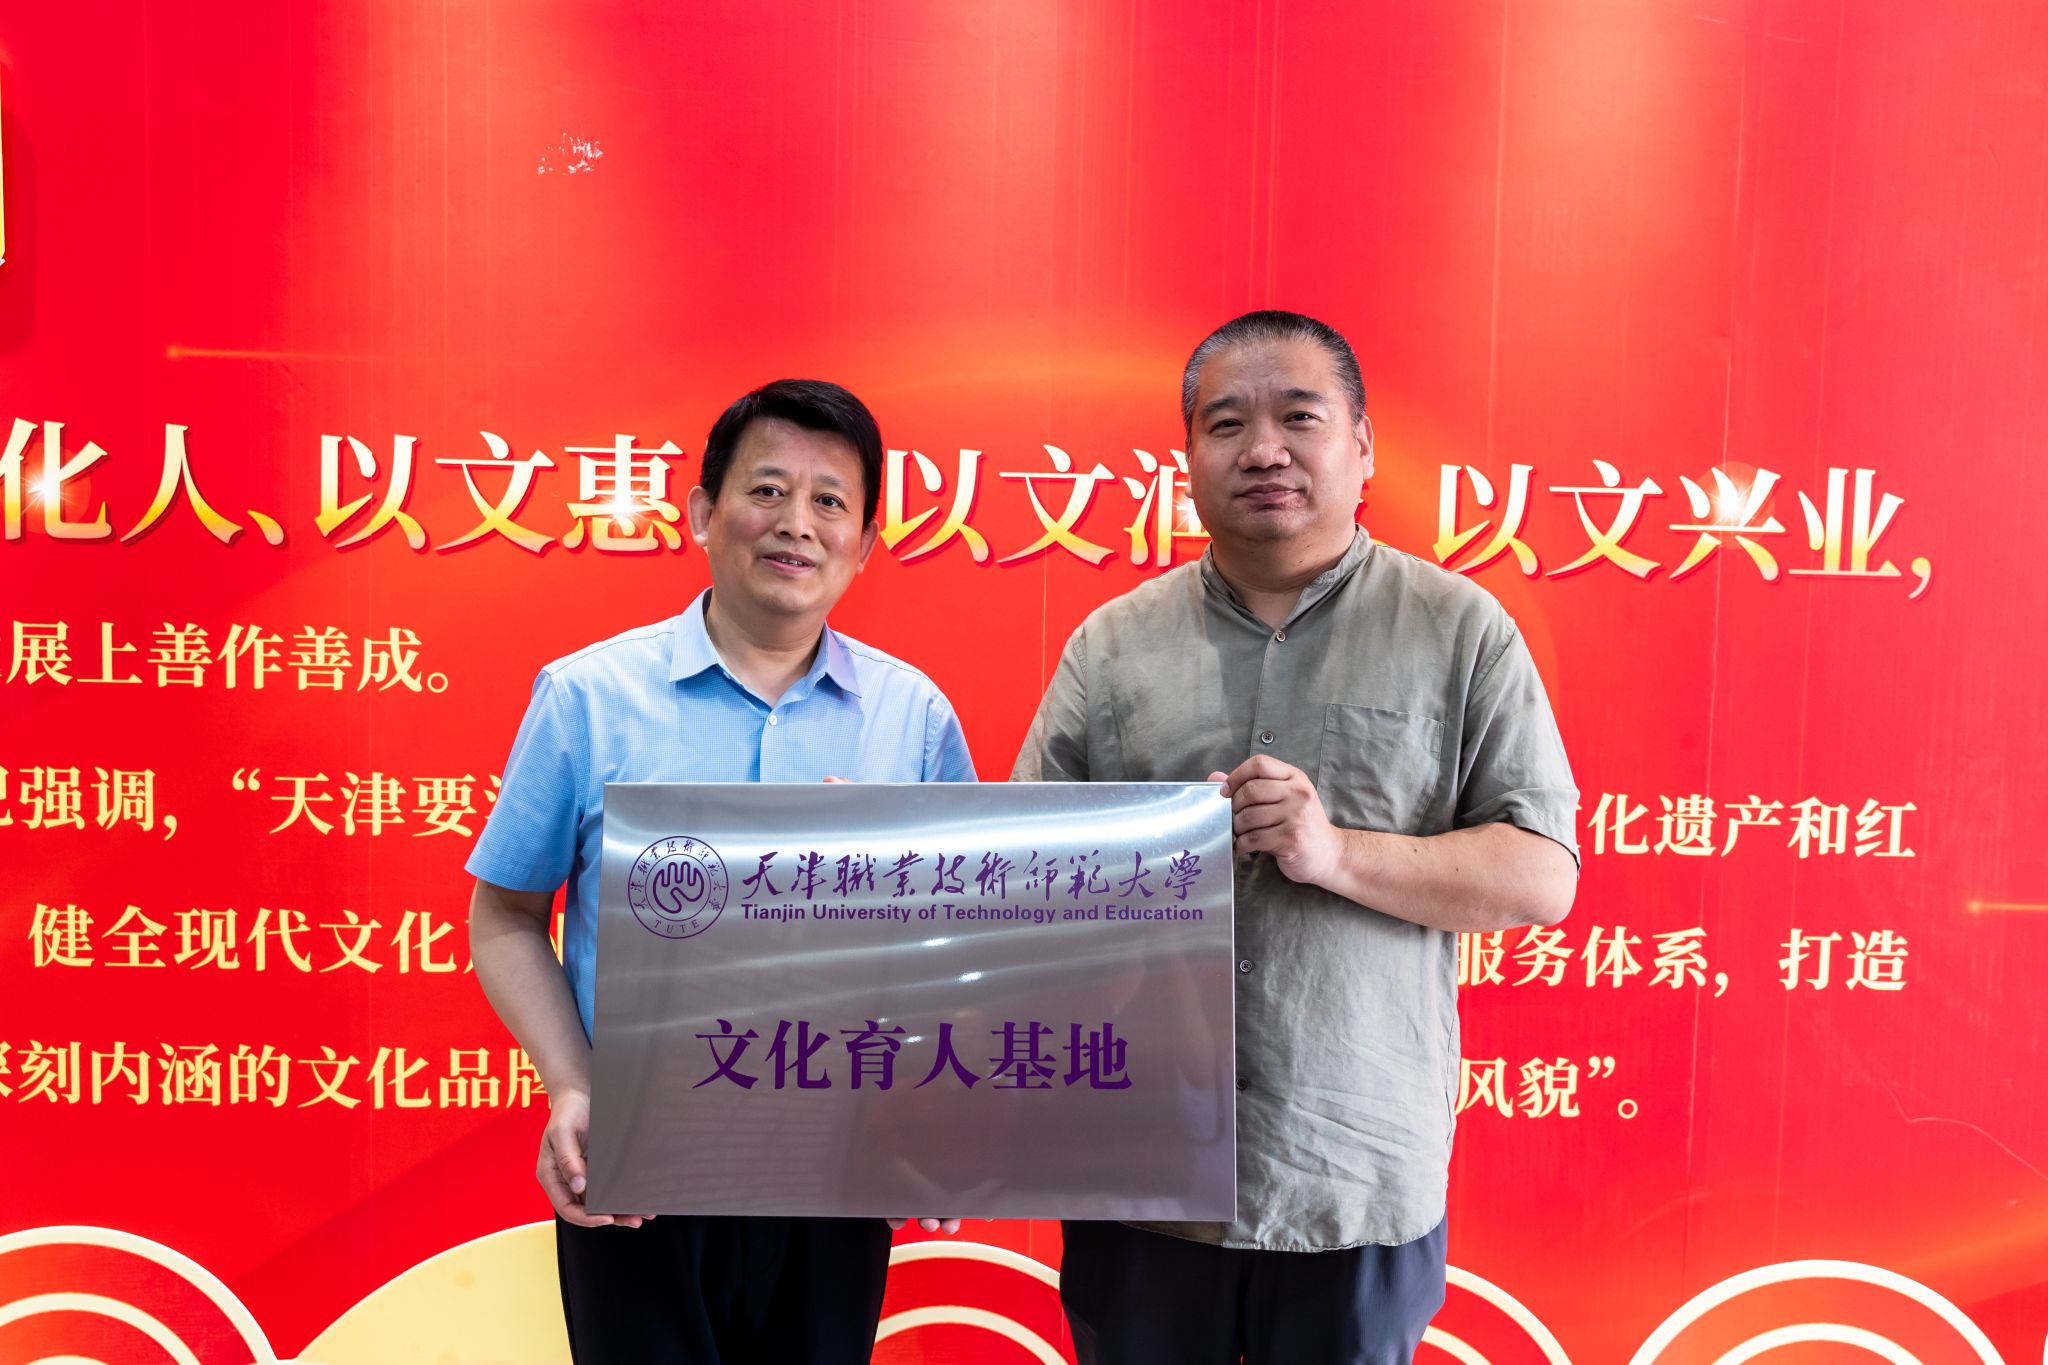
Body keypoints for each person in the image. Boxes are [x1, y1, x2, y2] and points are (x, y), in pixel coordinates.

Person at [1013, 311, 1579, 1364]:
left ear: (1360, 445)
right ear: (1188, 456)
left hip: (1352, 1176)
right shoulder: (1112, 646)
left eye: (1299, 417)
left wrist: (1336, 853)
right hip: (1141, 1169)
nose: (1262, 448)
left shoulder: (1459, 629)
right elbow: (1024, 878)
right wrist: (1146, 857)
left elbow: (1540, 875)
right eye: (1226, 422)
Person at [467, 378, 976, 1365]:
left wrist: (935, 1114)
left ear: (864, 543)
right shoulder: (588, 696)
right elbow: (507, 915)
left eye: (830, 501)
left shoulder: (911, 718)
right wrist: (574, 1086)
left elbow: (951, 943)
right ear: (703, 512)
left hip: (838, 1172)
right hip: (641, 1173)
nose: (797, 523)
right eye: (768, 490)